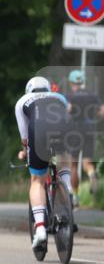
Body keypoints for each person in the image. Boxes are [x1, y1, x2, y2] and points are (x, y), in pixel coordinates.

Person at [15, 76, 75, 249]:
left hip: (39, 130)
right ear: (48, 89)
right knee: (64, 156)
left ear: (28, 90)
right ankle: (67, 189)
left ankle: (40, 228)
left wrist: (25, 152)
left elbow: (25, 137)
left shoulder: (22, 102)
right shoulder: (59, 97)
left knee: (37, 180)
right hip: (63, 128)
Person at [65, 69, 102, 199]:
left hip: (74, 130)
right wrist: (95, 116)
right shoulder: (92, 95)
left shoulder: (69, 96)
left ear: (71, 82)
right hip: (89, 128)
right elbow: (102, 111)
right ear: (82, 82)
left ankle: (75, 197)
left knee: (73, 165)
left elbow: (67, 110)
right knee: (87, 162)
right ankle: (91, 173)